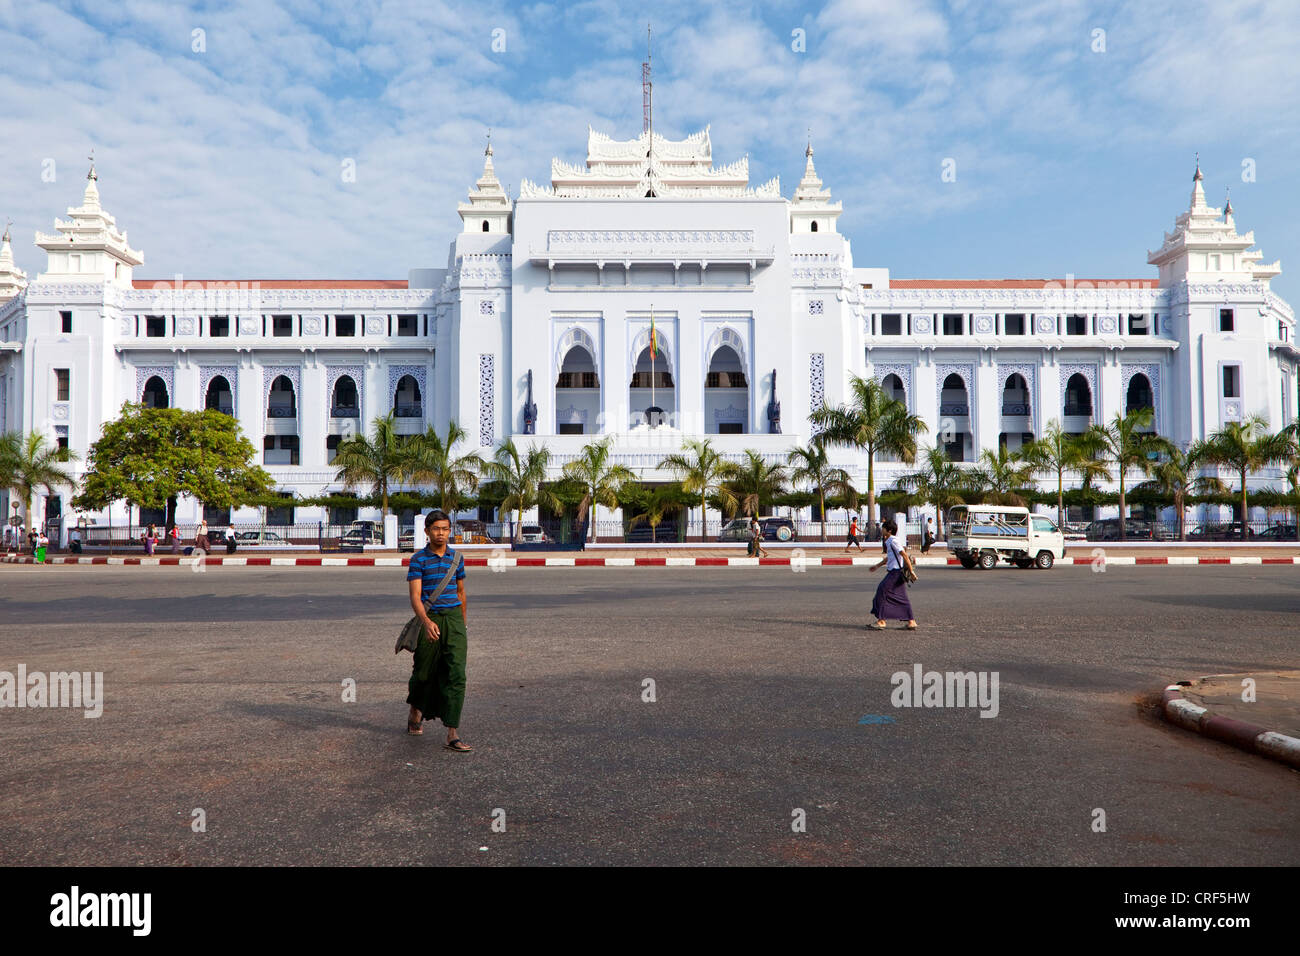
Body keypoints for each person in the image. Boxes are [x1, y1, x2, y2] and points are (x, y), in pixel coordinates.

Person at [405, 510, 472, 752]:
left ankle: (452, 733)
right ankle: (416, 708)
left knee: (456, 674)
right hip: (429, 618)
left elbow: (461, 592)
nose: (441, 533)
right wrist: (425, 621)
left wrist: (462, 624)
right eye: (436, 529)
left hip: (453, 619)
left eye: (445, 529)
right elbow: (415, 596)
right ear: (427, 531)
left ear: (449, 531)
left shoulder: (457, 558)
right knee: (423, 673)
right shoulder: (418, 560)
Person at [868, 517, 917, 630]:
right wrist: (877, 566)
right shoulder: (890, 540)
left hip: (895, 573)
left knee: (881, 591)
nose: (882, 530)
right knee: (902, 597)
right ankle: (911, 621)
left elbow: (904, 554)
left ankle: (881, 621)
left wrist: (911, 571)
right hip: (895, 572)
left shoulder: (893, 541)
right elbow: (889, 557)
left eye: (883, 528)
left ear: (889, 530)